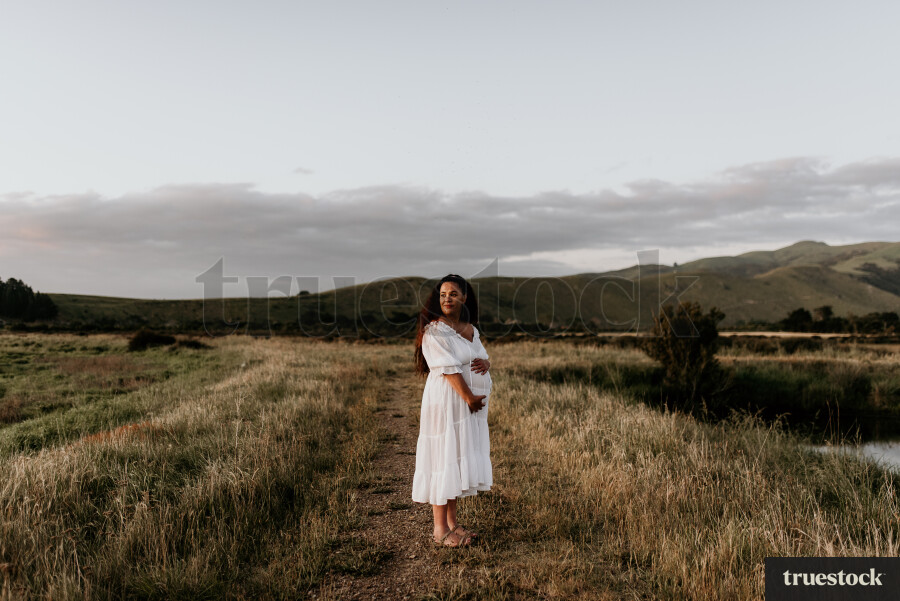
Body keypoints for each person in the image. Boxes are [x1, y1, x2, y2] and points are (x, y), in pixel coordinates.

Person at [412, 274, 493, 548]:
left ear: (464, 298)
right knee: (441, 459)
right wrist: (470, 397)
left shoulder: (470, 328)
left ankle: (453, 525)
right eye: (443, 294)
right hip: (447, 401)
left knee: (455, 459)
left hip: (464, 408)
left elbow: (481, 354)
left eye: (454, 294)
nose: (448, 299)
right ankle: (439, 529)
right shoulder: (435, 331)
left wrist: (487, 364)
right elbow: (447, 368)